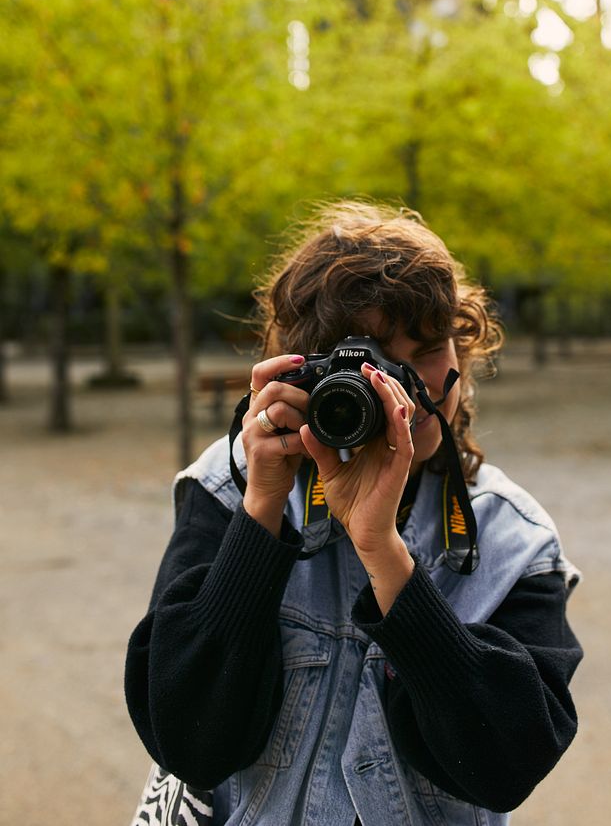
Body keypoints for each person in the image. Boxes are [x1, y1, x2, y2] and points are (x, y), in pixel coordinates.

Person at [125, 201, 582, 826]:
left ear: (462, 354)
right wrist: (260, 511)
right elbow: (188, 740)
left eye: (423, 352)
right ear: (302, 369)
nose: (402, 391)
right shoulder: (229, 490)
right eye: (369, 366)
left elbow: (506, 766)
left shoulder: (511, 539)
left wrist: (385, 555)